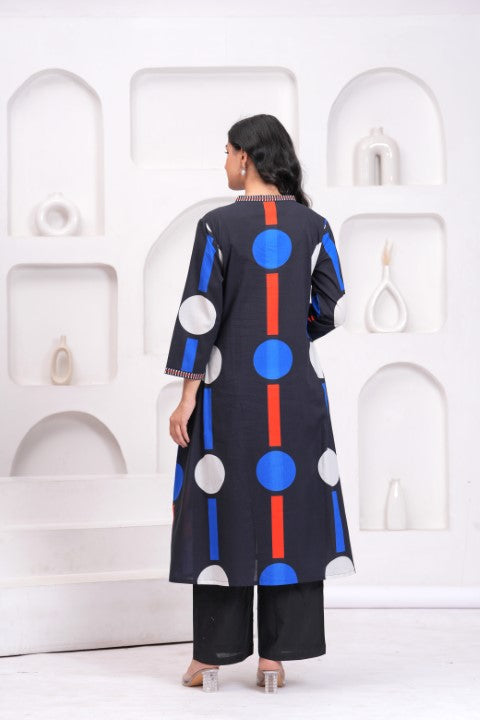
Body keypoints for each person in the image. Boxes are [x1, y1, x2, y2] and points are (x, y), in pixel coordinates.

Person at [164, 113, 355, 691]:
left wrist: (186, 397)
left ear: (246, 157)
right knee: (288, 510)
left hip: (228, 395)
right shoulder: (314, 226)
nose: (224, 162)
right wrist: (290, 337)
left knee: (222, 511)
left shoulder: (218, 225)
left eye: (227, 152)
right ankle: (275, 660)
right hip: (296, 392)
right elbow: (332, 306)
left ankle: (210, 658)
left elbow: (200, 312)